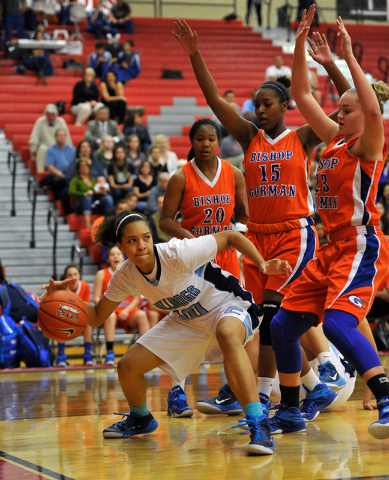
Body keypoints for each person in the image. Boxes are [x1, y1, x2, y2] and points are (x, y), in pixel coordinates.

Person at [172, 18, 351, 419]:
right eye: (256, 105)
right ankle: (292, 390)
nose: (259, 109)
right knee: (261, 320)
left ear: (286, 105)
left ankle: (280, 394)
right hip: (256, 237)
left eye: (266, 103)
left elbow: (346, 110)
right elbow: (216, 98)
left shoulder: (302, 136)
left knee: (272, 315)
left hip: (293, 235)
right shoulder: (249, 137)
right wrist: (194, 54)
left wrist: (323, 60)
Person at [42, 211, 292, 454]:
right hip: (186, 320)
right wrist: (62, 298)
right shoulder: (125, 275)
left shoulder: (177, 253)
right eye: (132, 241)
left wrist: (262, 264)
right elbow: (96, 316)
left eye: (146, 237)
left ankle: (259, 424)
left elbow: (230, 236)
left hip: (227, 305)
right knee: (127, 367)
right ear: (121, 246)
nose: (141, 245)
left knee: (227, 334)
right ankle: (141, 418)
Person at [267, 7, 389, 439]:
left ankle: (385, 395)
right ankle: (288, 409)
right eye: (337, 110)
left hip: (360, 244)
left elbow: (373, 112)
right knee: (281, 326)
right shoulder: (336, 141)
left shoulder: (367, 145)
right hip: (329, 246)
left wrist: (348, 59)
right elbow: (300, 94)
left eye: (346, 109)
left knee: (337, 323)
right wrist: (299, 42)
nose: (338, 115)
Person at [159, 117, 248, 416]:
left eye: (211, 138)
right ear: (192, 142)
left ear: (219, 141)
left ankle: (233, 391)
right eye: (200, 139)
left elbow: (244, 215)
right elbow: (165, 220)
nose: (206, 143)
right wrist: (190, 239)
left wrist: (241, 230)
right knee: (185, 324)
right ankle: (176, 392)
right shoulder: (181, 177)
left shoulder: (234, 173)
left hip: (225, 260)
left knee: (233, 327)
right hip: (192, 260)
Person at [91, 244, 153, 365]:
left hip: (126, 311)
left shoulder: (131, 273)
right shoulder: (101, 274)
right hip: (109, 312)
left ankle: (145, 354)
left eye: (118, 254)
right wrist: (108, 308)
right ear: (108, 259)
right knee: (111, 315)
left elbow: (136, 299)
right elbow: (96, 298)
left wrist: (126, 310)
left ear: (123, 257)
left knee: (141, 315)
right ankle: (110, 353)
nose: (115, 256)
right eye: (112, 254)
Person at [56, 265, 95, 367]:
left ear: (79, 276)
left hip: (79, 317)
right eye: (70, 275)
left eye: (75, 274)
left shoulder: (85, 286)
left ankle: (87, 355)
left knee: (89, 322)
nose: (73, 277)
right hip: (65, 317)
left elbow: (85, 307)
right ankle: (61, 355)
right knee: (59, 319)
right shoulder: (61, 288)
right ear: (65, 277)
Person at [68, 159, 114, 229]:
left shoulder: (94, 180)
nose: (85, 167)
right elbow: (71, 191)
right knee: (87, 197)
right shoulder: (76, 179)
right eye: (82, 166)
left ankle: (108, 223)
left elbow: (98, 189)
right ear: (79, 169)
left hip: (94, 201)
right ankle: (87, 224)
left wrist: (103, 189)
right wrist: (84, 193)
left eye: (87, 166)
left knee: (108, 198)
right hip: (80, 202)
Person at [29, 104, 73, 174]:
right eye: (48, 115)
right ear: (45, 115)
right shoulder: (40, 121)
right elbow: (34, 138)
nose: (50, 117)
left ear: (56, 115)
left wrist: (70, 149)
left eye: (52, 115)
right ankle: (40, 172)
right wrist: (33, 154)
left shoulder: (61, 121)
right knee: (42, 148)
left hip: (58, 147)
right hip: (45, 146)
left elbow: (66, 136)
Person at [40, 128, 75, 200]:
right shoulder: (50, 150)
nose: (62, 137)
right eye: (59, 135)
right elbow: (50, 166)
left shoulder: (72, 149)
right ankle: (58, 201)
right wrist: (61, 174)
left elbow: (75, 164)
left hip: (70, 173)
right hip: (57, 173)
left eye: (63, 135)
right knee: (57, 180)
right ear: (55, 137)